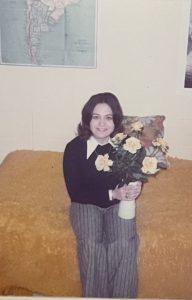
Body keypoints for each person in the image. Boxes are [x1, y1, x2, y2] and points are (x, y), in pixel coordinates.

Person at [63, 92, 142, 298]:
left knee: (125, 242)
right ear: (87, 119)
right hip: (85, 204)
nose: (101, 124)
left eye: (108, 117)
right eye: (96, 116)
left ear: (115, 121)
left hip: (118, 204)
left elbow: (132, 176)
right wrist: (112, 193)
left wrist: (135, 186)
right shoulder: (74, 148)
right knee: (91, 243)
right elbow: (76, 192)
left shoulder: (125, 147)